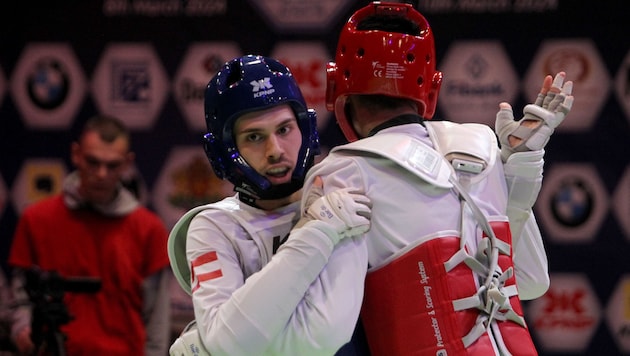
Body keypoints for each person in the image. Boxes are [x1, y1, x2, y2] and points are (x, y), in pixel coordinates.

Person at [302, 2, 573, 355]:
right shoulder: (481, 145)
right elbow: (533, 282)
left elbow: (324, 328)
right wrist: (516, 180)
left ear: (337, 86)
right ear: (430, 89)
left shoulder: (339, 173)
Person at [167, 55, 372, 356]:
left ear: (306, 129)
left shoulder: (349, 200)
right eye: (254, 137)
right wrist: (318, 231)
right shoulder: (214, 228)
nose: (275, 150)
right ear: (225, 151)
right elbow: (230, 346)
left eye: (285, 129)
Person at [7, 115, 170, 355]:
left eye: (112, 165)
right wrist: (22, 328)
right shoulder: (36, 220)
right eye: (93, 162)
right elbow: (20, 299)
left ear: (127, 163)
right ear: (76, 155)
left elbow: (156, 320)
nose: (102, 174)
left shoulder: (149, 229)